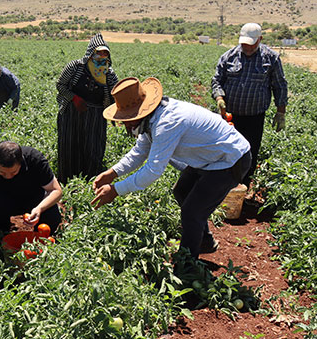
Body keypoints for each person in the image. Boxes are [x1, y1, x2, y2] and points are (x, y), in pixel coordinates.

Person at [91, 77, 251, 259]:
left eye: (128, 118)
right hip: (209, 158)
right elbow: (140, 151)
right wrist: (113, 173)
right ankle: (203, 241)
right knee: (182, 191)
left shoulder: (167, 122)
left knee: (192, 211)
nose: (126, 124)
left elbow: (153, 170)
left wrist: (115, 190)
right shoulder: (150, 118)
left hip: (231, 159)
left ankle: (187, 267)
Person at [211, 23, 288, 189]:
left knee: (249, 152)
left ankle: (243, 187)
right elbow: (217, 80)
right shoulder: (228, 57)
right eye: (244, 43)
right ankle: (223, 186)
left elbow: (280, 85)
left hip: (255, 117)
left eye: (251, 43)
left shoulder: (271, 58)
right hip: (230, 116)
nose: (247, 47)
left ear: (260, 39)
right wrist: (219, 97)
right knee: (226, 151)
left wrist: (281, 113)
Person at [56, 33, 119, 182]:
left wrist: (116, 113)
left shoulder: (108, 73)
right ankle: (66, 183)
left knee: (93, 149)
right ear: (91, 52)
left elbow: (116, 93)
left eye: (105, 52)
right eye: (99, 52)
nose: (102, 55)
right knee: (70, 147)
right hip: (72, 112)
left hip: (96, 115)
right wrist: (75, 98)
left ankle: (92, 182)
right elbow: (60, 85)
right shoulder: (76, 67)